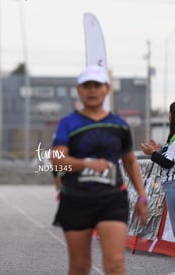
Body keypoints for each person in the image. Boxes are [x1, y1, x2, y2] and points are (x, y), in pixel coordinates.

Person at [51, 65, 148, 275]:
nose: (92, 90)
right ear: (79, 90)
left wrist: (142, 197)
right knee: (80, 266)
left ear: (107, 89)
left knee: (115, 263)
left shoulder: (119, 124)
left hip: (112, 199)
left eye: (97, 85)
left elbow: (130, 161)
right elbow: (57, 160)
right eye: (87, 86)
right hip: (76, 199)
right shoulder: (69, 123)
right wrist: (87, 163)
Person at [141, 101, 175, 237]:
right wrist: (158, 151)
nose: (169, 116)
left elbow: (168, 163)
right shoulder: (172, 138)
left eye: (170, 113)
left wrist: (152, 154)